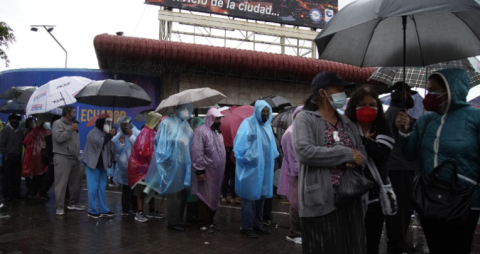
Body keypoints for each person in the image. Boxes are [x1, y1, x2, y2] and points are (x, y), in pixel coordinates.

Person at [395, 69, 480, 254]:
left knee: (458, 248)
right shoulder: (426, 120)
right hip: (430, 198)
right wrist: (403, 132)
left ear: (452, 89)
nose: (429, 95)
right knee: (436, 248)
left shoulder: (475, 118)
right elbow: (409, 155)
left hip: (464, 200)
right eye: (428, 90)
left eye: (434, 90)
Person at [292, 71, 367, 254]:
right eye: (338, 89)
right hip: (322, 201)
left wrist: (356, 159)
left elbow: (361, 151)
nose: (343, 94)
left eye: (344, 90)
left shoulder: (346, 122)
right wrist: (345, 154)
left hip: (350, 198)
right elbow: (304, 152)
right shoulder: (306, 118)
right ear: (322, 93)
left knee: (351, 247)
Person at [345, 86, 396, 254]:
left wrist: (359, 141)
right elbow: (342, 151)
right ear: (353, 106)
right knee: (349, 243)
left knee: (371, 244)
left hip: (374, 198)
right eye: (362, 104)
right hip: (348, 195)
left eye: (372, 104)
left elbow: (381, 154)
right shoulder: (346, 125)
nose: (367, 108)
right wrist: (368, 142)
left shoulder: (383, 124)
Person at [234, 100, 279, 239]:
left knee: (261, 197)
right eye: (263, 111)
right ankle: (246, 226)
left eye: (267, 111)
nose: (265, 114)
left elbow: (272, 147)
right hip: (251, 169)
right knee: (249, 198)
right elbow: (239, 148)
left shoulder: (267, 126)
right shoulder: (248, 124)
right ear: (257, 111)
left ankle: (258, 224)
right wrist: (252, 157)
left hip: (264, 169)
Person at [145, 103, 194, 232]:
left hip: (184, 164)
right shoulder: (167, 123)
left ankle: (179, 219)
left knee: (183, 192)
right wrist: (172, 145)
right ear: (177, 109)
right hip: (172, 164)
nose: (186, 111)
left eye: (187, 109)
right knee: (174, 193)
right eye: (184, 109)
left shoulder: (186, 126)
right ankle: (172, 222)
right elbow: (159, 142)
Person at [384, 82, 419, 254]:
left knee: (399, 208)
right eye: (409, 94)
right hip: (399, 168)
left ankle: (396, 241)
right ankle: (397, 243)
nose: (411, 97)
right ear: (401, 95)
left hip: (396, 167)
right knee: (401, 208)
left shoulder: (393, 112)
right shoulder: (397, 114)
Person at [190, 108, 226, 233]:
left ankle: (210, 221)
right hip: (206, 172)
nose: (219, 121)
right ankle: (203, 223)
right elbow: (197, 151)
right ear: (210, 118)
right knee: (205, 198)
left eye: (220, 118)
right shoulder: (201, 131)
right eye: (216, 118)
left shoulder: (217, 132)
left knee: (214, 197)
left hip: (217, 173)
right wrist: (199, 171)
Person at [128, 111, 164, 223]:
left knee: (151, 188)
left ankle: (151, 210)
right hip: (141, 167)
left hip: (150, 166)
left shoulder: (153, 132)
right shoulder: (145, 132)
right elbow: (141, 149)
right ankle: (139, 212)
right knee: (141, 189)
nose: (159, 123)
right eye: (158, 121)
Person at [277, 106, 303, 245]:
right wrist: (300, 173)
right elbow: (293, 159)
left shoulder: (300, 132)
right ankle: (294, 233)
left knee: (301, 204)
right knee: (295, 204)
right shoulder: (290, 133)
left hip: (302, 174)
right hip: (296, 175)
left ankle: (299, 231)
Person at [52, 106, 85, 215]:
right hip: (62, 157)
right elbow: (58, 138)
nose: (75, 114)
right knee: (61, 183)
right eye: (73, 112)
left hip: (74, 157)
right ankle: (59, 207)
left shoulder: (73, 124)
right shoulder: (58, 123)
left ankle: (73, 203)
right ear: (67, 113)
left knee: (75, 183)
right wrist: (70, 130)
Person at [82, 117, 117, 218]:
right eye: (106, 124)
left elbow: (111, 147)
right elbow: (100, 142)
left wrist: (113, 159)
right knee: (93, 188)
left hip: (102, 165)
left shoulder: (104, 134)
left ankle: (103, 209)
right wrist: (110, 135)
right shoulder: (93, 133)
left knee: (102, 188)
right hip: (92, 164)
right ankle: (92, 210)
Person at [112, 116, 140, 216]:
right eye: (123, 125)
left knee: (135, 189)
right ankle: (125, 209)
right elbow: (116, 150)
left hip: (134, 167)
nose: (125, 127)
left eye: (126, 125)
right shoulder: (119, 136)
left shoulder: (137, 133)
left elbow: (139, 146)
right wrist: (121, 143)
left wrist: (132, 136)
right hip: (123, 169)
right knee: (126, 189)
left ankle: (135, 208)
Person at [22, 118, 51, 200]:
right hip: (35, 158)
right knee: (36, 176)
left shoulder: (46, 131)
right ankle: (35, 192)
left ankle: (40, 192)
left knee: (42, 176)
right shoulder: (33, 132)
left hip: (42, 158)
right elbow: (26, 143)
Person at [37, 115, 62, 201]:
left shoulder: (51, 133)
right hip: (53, 158)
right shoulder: (52, 134)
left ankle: (42, 193)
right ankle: (41, 193)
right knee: (50, 178)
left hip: (54, 158)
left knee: (50, 178)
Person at [0, 114, 24, 201]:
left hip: (17, 156)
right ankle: (5, 194)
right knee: (6, 176)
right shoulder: (5, 130)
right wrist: (5, 155)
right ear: (11, 120)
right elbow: (2, 144)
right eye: (14, 120)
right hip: (8, 156)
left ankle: (16, 193)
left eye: (17, 120)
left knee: (16, 176)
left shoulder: (19, 131)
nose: (16, 122)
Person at [186, 117, 204, 223]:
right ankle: (189, 216)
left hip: (197, 169)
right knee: (191, 194)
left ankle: (195, 214)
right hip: (192, 169)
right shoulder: (191, 137)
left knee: (197, 194)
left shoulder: (198, 137)